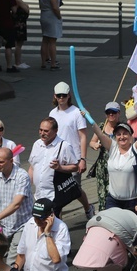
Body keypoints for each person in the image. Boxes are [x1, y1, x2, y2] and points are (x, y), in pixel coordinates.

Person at [86, 119, 137, 210]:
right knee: (111, 223)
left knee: (131, 224)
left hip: (132, 201)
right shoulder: (112, 148)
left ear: (131, 136)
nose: (122, 137)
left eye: (125, 133)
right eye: (118, 134)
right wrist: (88, 116)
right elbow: (100, 134)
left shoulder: (135, 150)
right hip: (113, 200)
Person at [48, 83, 94, 218]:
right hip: (57, 158)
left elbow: (83, 136)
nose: (61, 98)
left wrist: (83, 159)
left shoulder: (76, 112)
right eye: (58, 96)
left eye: (64, 95)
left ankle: (88, 207)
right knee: (57, 192)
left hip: (73, 157)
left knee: (75, 189)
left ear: (69, 96)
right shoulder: (52, 113)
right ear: (55, 96)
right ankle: (58, 221)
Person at [28, 117, 80, 219]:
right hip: (38, 194)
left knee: (51, 223)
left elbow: (75, 167)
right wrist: (27, 185)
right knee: (40, 222)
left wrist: (60, 167)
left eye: (46, 131)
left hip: (54, 195)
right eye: (40, 130)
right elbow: (32, 166)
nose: (42, 133)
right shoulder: (37, 144)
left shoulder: (64, 146)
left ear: (55, 131)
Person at [89, 102, 121, 211]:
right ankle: (103, 212)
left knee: (116, 191)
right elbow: (92, 142)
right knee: (103, 193)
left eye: (113, 112)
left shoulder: (122, 128)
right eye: (108, 112)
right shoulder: (102, 126)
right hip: (103, 166)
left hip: (117, 164)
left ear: (119, 113)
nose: (111, 115)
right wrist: (95, 145)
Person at [39, 0, 62, 71]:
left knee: (45, 40)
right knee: (52, 41)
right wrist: (59, 16)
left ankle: (43, 62)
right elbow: (55, 7)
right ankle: (53, 63)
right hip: (51, 17)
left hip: (44, 15)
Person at [10, 0, 30, 70]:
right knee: (19, 44)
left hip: (19, 23)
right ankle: (17, 62)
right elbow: (26, 9)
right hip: (19, 24)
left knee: (18, 43)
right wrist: (27, 6)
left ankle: (18, 62)